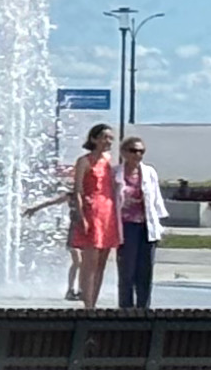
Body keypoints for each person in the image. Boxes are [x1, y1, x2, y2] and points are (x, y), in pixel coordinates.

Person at [65, 124, 119, 309]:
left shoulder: (108, 160)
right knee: (90, 263)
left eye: (110, 138)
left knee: (102, 263)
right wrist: (82, 216)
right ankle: (87, 306)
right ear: (94, 139)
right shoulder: (84, 161)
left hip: (108, 213)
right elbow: (78, 190)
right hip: (92, 213)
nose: (108, 141)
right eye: (104, 137)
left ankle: (93, 303)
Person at [116, 136, 165, 310]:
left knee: (145, 270)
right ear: (123, 152)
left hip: (146, 225)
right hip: (126, 226)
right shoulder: (116, 173)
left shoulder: (149, 172)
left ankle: (143, 309)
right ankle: (126, 308)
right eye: (133, 151)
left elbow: (156, 199)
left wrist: (158, 226)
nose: (137, 155)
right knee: (127, 270)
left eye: (141, 151)